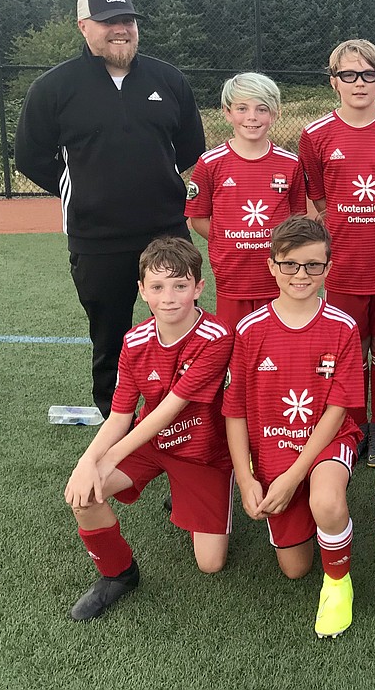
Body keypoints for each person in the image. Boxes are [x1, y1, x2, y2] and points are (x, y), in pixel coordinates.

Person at [15, 0, 206, 417]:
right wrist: (84, 188)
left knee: (180, 323)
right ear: (83, 26)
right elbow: (30, 156)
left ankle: (187, 415)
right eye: (108, 22)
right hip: (97, 237)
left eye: (128, 21)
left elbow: (190, 146)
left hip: (166, 230)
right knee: (109, 334)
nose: (121, 29)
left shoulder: (168, 79)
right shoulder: (54, 87)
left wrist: (151, 179)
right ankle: (115, 418)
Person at [62, 237, 233, 620]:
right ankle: (118, 574)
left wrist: (108, 458)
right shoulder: (135, 340)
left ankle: (205, 494)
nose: (168, 298)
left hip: (203, 451)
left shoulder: (216, 337)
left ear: (198, 288)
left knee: (210, 564)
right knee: (84, 496)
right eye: (157, 287)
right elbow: (121, 416)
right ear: (142, 290)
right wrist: (87, 462)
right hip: (151, 444)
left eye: (179, 285)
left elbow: (169, 410)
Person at [223, 216, 363, 638]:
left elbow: (338, 409)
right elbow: (235, 410)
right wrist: (246, 479)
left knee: (326, 501)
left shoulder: (343, 327)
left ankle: (338, 584)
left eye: (313, 265)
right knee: (295, 569)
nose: (301, 274)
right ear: (272, 266)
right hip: (273, 450)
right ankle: (316, 526)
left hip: (327, 442)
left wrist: (294, 476)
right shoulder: (250, 330)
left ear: (328, 267)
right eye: (290, 264)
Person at [298, 39, 375, 468]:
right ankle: (354, 425)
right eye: (348, 74)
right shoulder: (315, 135)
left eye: (368, 74)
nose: (359, 82)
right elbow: (322, 201)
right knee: (351, 349)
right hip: (344, 266)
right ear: (334, 82)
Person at [186, 72, 307, 326]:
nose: (252, 117)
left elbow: (296, 219)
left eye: (262, 109)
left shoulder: (291, 163)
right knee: (234, 343)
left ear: (275, 114)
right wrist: (228, 240)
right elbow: (198, 219)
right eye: (242, 108)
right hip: (233, 278)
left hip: (278, 277)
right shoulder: (210, 163)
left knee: (276, 341)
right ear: (227, 112)